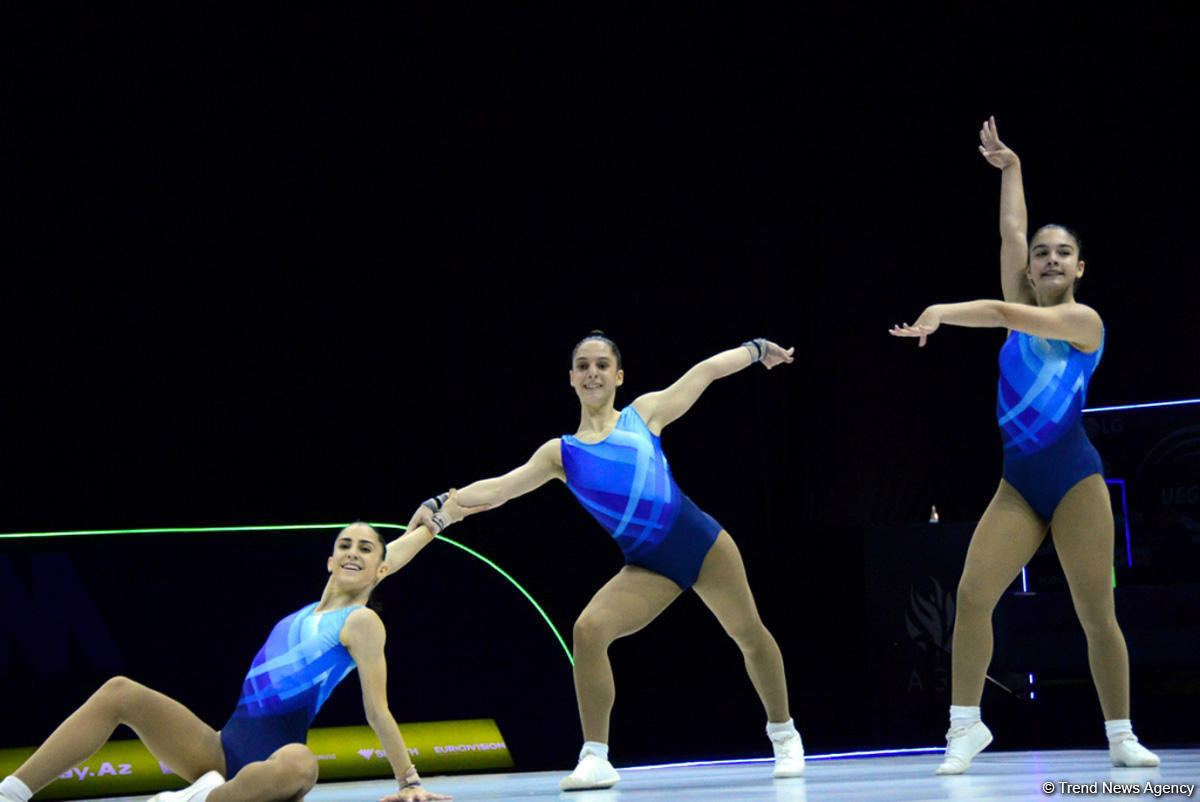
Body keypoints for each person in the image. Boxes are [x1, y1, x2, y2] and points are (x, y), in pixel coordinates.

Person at [407, 332, 805, 791]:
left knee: (749, 634)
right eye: (583, 366)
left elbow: (705, 372)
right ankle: (596, 757)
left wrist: (756, 350)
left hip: (703, 544)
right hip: (648, 565)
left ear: (618, 376)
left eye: (601, 365)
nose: (592, 372)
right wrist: (440, 505)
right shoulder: (561, 453)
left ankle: (785, 735)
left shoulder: (644, 414)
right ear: (572, 379)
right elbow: (499, 489)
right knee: (589, 629)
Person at [889, 117, 1160, 774]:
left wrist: (941, 312)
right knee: (974, 594)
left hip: (1074, 480)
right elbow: (1011, 231)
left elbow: (1010, 314)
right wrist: (1010, 170)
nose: (1048, 258)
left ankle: (1120, 733)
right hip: (1019, 484)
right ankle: (964, 728)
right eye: (1042, 253)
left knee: (1096, 610)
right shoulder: (1020, 293)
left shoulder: (1082, 323)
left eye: (1062, 252)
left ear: (1079, 267)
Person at [0, 522, 456, 802]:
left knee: (303, 764)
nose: (354, 552)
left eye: (366, 548)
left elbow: (377, 709)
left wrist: (408, 781)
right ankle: (12, 792)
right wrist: (430, 525)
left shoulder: (361, 621)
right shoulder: (298, 616)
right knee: (120, 690)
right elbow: (377, 558)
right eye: (345, 545)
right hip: (218, 750)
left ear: (382, 568)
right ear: (330, 560)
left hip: (270, 766)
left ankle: (203, 799)